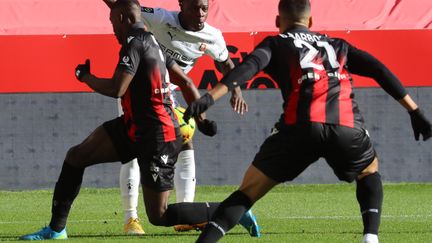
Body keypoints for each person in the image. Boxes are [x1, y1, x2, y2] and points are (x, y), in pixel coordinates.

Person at [183, 0, 432, 242]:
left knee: (247, 192)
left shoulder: (275, 43)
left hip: (299, 129)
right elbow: (379, 70)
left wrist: (208, 99)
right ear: (310, 20)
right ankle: (370, 236)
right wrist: (414, 111)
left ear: (278, 21)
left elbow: (247, 68)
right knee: (369, 170)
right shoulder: (337, 44)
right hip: (346, 127)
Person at [19, 0, 256, 240]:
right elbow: (185, 82)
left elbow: (117, 89)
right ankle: (56, 230)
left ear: (122, 19)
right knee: (76, 156)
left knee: (159, 216)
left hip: (157, 134)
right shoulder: (154, 41)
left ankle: (233, 211)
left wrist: (85, 76)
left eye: (112, 23)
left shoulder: (136, 42)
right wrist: (201, 120)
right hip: (134, 126)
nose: (112, 29)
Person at [103, 0, 256, 235]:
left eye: (204, 7)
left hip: (168, 95)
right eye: (195, 7)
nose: (201, 13)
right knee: (133, 150)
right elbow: (125, 6)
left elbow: (225, 63)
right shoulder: (160, 18)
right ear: (181, 5)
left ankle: (186, 216)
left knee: (185, 140)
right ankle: (131, 218)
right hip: (137, 91)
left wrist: (236, 91)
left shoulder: (213, 36)